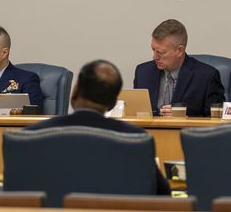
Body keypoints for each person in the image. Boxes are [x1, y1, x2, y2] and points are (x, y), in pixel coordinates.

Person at [26, 59, 171, 195]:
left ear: (75, 93)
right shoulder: (136, 139)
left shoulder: (33, 135)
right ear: (113, 104)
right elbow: (162, 194)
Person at [133, 19, 224, 117]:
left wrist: (185, 117)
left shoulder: (206, 77)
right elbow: (135, 113)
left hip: (187, 131)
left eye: (160, 52)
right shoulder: (142, 72)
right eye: (153, 50)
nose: (154, 57)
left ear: (180, 50)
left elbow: (216, 121)